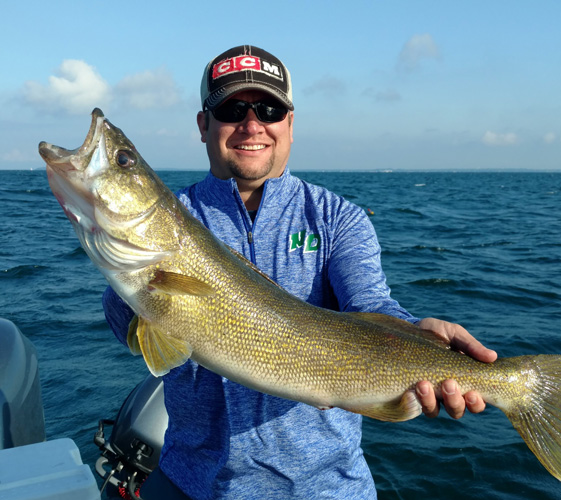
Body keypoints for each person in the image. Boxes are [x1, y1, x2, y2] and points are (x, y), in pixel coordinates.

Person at [102, 45, 497, 500]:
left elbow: (370, 305)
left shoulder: (337, 218)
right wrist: (121, 261)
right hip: (189, 483)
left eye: (269, 109)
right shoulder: (177, 215)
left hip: (327, 488)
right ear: (203, 125)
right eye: (232, 109)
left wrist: (414, 334)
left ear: (289, 124)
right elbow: (124, 330)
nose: (252, 125)